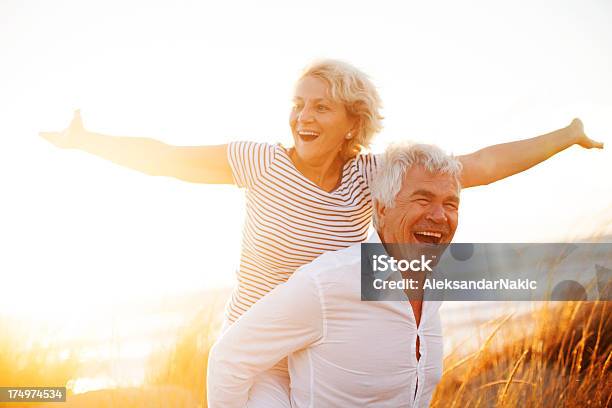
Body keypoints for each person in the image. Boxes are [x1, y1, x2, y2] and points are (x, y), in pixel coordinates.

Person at [39, 59, 603, 405]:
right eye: (298, 104)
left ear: (352, 123)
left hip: (323, 349)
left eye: (321, 108)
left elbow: (480, 164)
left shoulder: (369, 176)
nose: (303, 116)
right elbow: (167, 158)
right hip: (259, 349)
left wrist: (566, 134)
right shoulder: (260, 162)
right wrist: (91, 142)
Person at [207, 142, 462, 408]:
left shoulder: (435, 286)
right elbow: (228, 360)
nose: (439, 216)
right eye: (423, 200)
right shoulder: (326, 284)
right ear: (382, 208)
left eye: (450, 204)